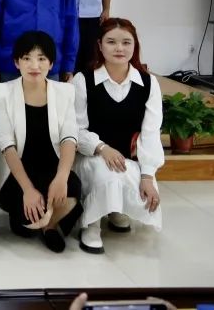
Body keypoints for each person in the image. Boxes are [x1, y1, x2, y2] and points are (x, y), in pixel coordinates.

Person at [73, 18, 163, 255]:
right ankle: (91, 224)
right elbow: (75, 130)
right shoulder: (83, 80)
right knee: (105, 173)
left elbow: (151, 133)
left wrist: (148, 175)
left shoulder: (148, 83)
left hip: (129, 158)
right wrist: (102, 148)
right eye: (111, 42)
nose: (119, 48)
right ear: (99, 45)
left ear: (135, 46)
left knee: (135, 178)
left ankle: (116, 209)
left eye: (126, 42)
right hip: (91, 156)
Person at [0, 31, 83, 252]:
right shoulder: (2, 92)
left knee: (72, 185)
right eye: (27, 58)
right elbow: (7, 146)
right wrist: (28, 190)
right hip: (18, 174)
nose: (34, 65)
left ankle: (48, 225)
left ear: (51, 64)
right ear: (17, 62)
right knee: (24, 227)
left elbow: (69, 138)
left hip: (51, 170)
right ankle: (51, 218)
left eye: (42, 58)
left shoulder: (65, 92)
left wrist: (61, 177)